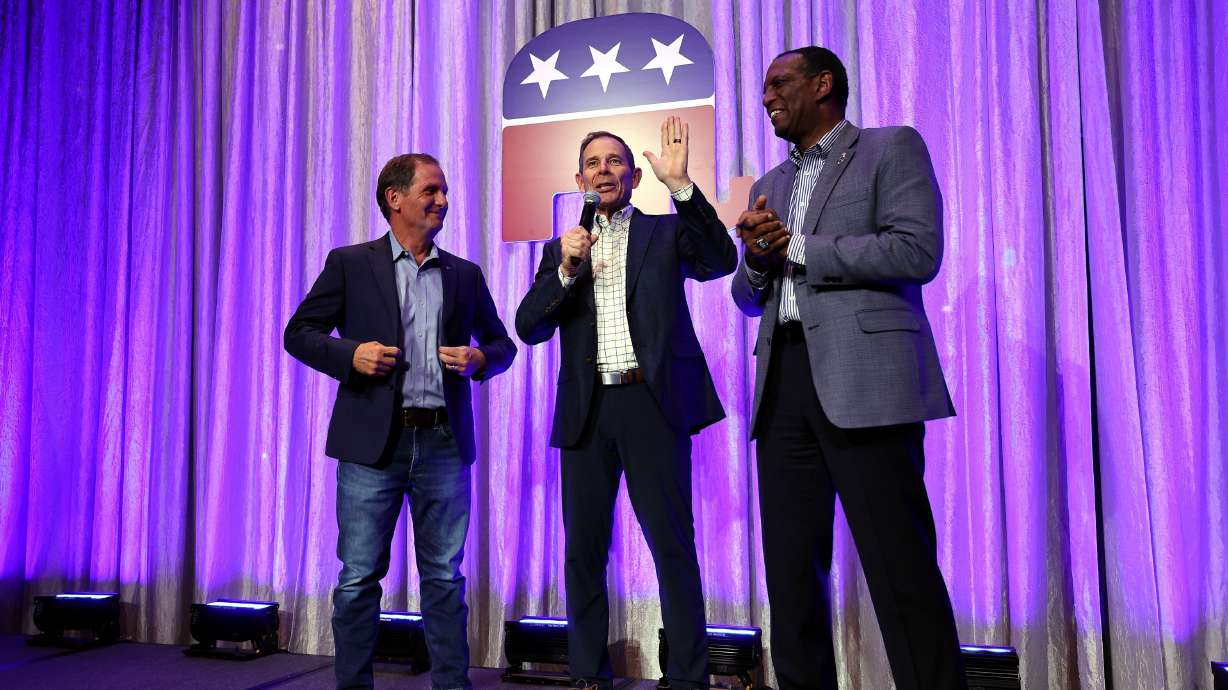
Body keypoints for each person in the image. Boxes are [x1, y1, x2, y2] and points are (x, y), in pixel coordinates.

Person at [730, 47, 965, 690]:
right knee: (791, 574)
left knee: (900, 566)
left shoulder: (891, 148)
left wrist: (798, 247)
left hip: (866, 381)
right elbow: (748, 296)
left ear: (823, 83)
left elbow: (917, 250)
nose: (767, 96)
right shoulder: (768, 185)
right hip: (783, 387)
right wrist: (755, 259)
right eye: (765, 88)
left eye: (780, 83)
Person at [515, 117, 736, 690]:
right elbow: (528, 327)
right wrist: (565, 270)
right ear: (578, 179)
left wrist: (683, 188)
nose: (603, 170)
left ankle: (687, 676)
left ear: (635, 176)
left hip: (650, 403)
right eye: (593, 164)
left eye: (615, 162)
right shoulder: (563, 248)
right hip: (588, 411)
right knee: (583, 552)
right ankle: (589, 673)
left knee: (672, 546)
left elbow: (720, 261)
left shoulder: (664, 233)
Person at [284, 153, 516, 690]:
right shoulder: (350, 263)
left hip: (442, 443)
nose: (444, 201)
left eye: (445, 191)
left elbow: (502, 345)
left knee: (443, 579)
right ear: (396, 198)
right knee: (359, 578)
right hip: (371, 448)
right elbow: (299, 332)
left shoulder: (463, 273)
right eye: (432, 191)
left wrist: (481, 360)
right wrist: (351, 355)